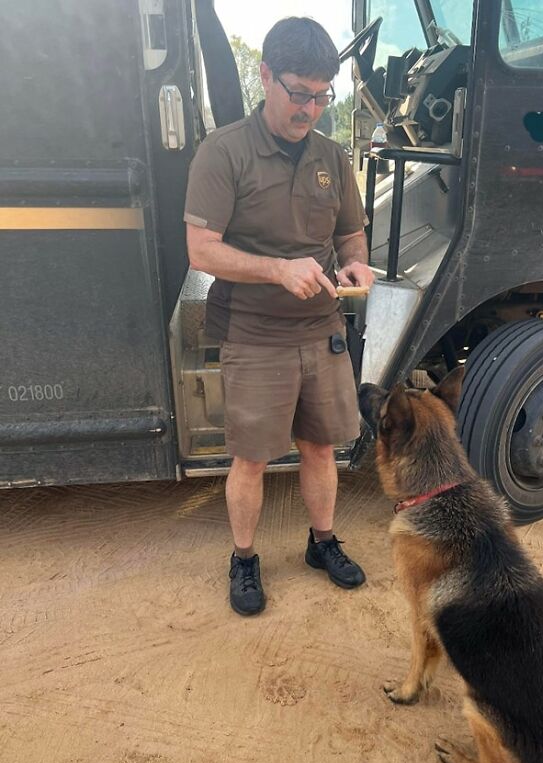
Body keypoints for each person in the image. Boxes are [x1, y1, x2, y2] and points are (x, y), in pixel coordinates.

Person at [184, 17, 375, 616]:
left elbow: (350, 235)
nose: (310, 109)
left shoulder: (332, 157)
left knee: (321, 447)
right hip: (254, 333)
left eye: (322, 97)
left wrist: (356, 265)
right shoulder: (224, 151)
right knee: (252, 458)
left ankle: (323, 542)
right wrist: (277, 270)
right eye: (298, 93)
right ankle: (244, 557)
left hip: (321, 329)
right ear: (265, 76)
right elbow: (202, 251)